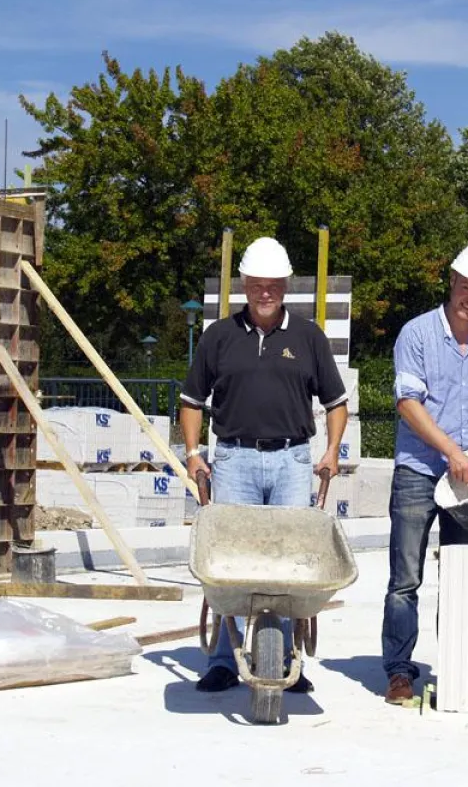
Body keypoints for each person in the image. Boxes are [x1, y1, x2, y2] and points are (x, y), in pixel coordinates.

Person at [179, 235, 348, 694]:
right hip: (233, 459)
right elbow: (192, 402)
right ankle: (222, 660)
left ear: (285, 286)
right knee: (229, 564)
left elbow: (336, 403)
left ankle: (288, 657)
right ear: (245, 285)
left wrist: (331, 450)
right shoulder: (219, 337)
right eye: (257, 284)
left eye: (273, 284)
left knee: (290, 564)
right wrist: (195, 454)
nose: (265, 292)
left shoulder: (308, 337)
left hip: (293, 460)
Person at [380, 241, 468, 704]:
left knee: (462, 575)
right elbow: (407, 404)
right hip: (419, 468)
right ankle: (399, 672)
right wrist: (453, 450)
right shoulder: (415, 334)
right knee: (406, 579)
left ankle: (459, 667)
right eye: (467, 288)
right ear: (452, 280)